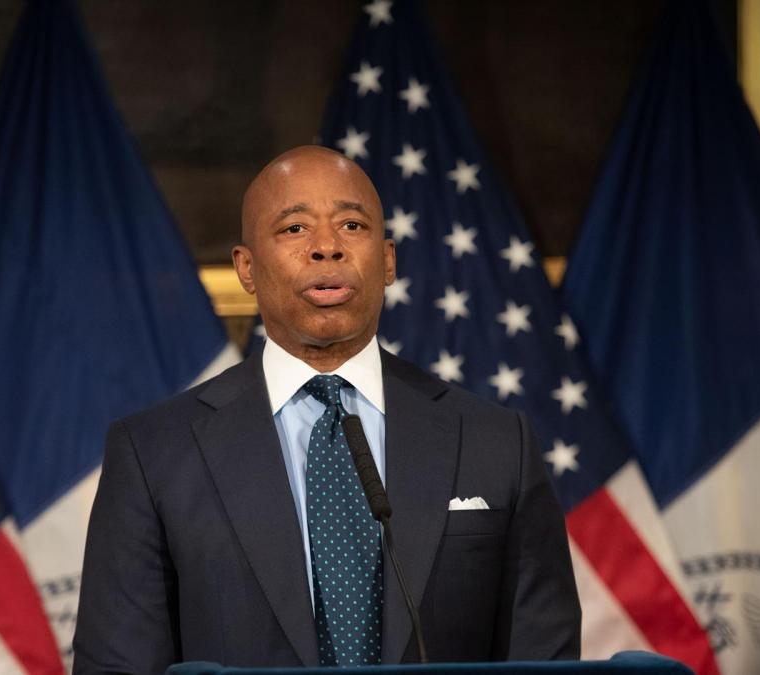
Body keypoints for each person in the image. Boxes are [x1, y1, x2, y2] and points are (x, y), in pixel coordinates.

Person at [72, 146, 580, 674]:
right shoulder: (154, 453)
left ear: (388, 260)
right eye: (294, 229)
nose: (327, 248)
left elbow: (542, 660)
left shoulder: (496, 443)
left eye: (352, 226)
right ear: (246, 268)